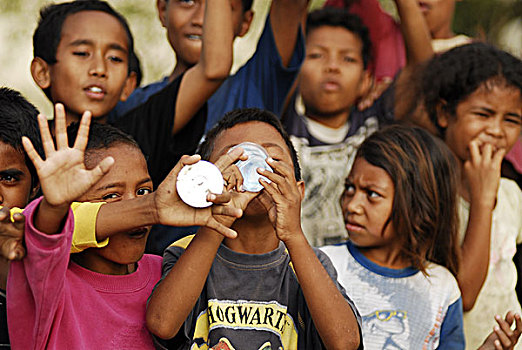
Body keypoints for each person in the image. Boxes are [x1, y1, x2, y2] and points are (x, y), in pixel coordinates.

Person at [6, 102, 244, 349]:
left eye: (143, 191)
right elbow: (38, 236)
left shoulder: (168, 270)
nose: (135, 206)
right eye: (111, 196)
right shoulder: (45, 283)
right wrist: (55, 207)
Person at [146, 108, 363, 349]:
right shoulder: (185, 251)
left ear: (298, 191)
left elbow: (345, 343)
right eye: (235, 160)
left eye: (272, 160)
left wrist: (294, 234)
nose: (254, 168)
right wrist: (217, 220)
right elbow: (161, 324)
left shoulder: (308, 264)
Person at [30, 0, 234, 186]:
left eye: (115, 58)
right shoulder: (23, 145)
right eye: (82, 53)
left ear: (128, 84)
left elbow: (213, 69)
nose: (99, 69)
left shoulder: (137, 135)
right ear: (42, 72)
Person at [282, 0, 433, 246]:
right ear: (296, 70)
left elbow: (423, 70)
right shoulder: (282, 125)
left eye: (348, 59)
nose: (332, 66)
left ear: (366, 80)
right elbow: (287, 23)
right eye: (316, 55)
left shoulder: (377, 122)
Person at [420, 43, 522, 349]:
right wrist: (481, 200)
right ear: (443, 113)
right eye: (483, 114)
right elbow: (463, 295)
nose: (496, 130)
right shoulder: (428, 195)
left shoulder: (511, 193)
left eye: (511, 119)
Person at [109, 0, 308, 132]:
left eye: (221, 6)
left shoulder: (256, 85)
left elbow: (290, 4)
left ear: (245, 22)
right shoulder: (131, 105)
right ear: (162, 10)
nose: (202, 20)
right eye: (187, 1)